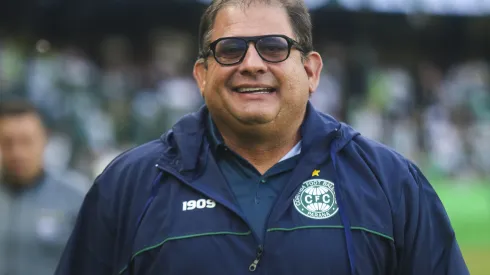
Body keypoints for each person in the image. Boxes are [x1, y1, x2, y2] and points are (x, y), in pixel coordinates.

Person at [55, 1, 469, 274]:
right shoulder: (128, 184)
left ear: (310, 71)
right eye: (230, 49)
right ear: (201, 75)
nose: (251, 64)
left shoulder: (391, 181)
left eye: (273, 47)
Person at [0, 99, 88, 275]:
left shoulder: (77, 198)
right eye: (7, 142)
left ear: (45, 140)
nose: (17, 152)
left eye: (26, 141)